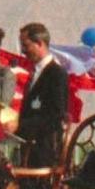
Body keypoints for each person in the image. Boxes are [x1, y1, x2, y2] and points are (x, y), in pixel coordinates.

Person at [17, 23, 77, 170]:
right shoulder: (34, 74)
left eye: (26, 45)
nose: (23, 51)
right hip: (28, 148)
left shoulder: (56, 74)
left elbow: (56, 115)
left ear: (39, 43)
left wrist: (22, 125)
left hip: (45, 151)